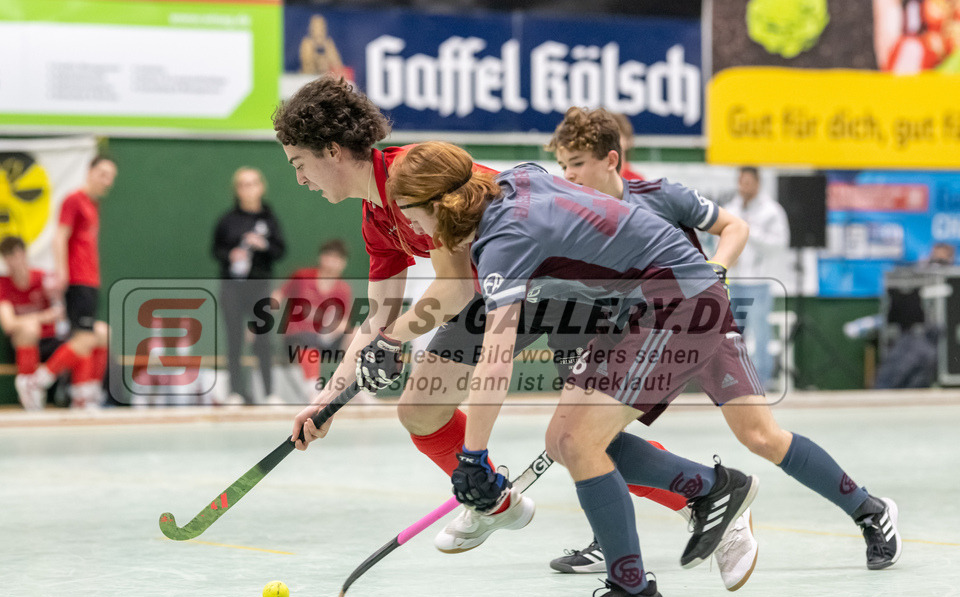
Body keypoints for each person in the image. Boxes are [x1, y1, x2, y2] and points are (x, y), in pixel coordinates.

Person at [273, 76, 744, 558]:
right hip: (499, 292)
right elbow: (380, 319)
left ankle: (697, 498)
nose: (300, 179)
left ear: (332, 151)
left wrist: (395, 340)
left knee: (581, 437)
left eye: (299, 164)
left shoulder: (416, 178)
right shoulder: (377, 221)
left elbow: (452, 288)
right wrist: (329, 397)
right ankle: (493, 501)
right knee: (420, 408)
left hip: (562, 289)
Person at [388, 142, 767, 597]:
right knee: (563, 441)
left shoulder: (502, 240)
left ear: (439, 204)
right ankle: (714, 489)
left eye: (413, 216)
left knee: (579, 441)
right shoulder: (513, 179)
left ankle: (635, 594)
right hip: (635, 306)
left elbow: (496, 358)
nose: (415, 230)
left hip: (677, 304)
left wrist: (473, 456)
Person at [549, 106, 899, 581]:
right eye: (563, 165)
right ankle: (618, 531)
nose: (568, 175)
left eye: (576, 164)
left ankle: (868, 509)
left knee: (761, 437)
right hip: (645, 337)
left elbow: (734, 227)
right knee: (593, 437)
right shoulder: (579, 224)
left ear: (610, 160)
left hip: (704, 325)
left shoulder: (661, 196)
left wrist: (716, 269)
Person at [16, 156, 115, 409]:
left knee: (98, 337)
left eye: (111, 177)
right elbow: (60, 237)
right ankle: (36, 381)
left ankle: (84, 395)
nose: (107, 181)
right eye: (102, 174)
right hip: (77, 280)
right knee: (84, 339)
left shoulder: (94, 206)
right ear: (90, 172)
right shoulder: (74, 200)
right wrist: (62, 272)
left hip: (91, 282)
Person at [212, 166, 286, 405]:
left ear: (261, 187)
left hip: (260, 287)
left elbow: (280, 250)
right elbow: (216, 249)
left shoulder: (270, 219)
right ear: (236, 190)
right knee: (234, 339)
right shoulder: (227, 220)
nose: (248, 188)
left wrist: (263, 245)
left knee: (263, 340)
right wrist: (230, 255)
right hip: (232, 288)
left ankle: (268, 393)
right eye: (243, 184)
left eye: (253, 183)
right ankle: (235, 392)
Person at [722, 166, 790, 391]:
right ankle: (734, 380)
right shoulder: (731, 209)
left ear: (758, 183)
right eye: (741, 181)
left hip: (759, 282)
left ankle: (762, 381)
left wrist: (749, 232)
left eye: (749, 182)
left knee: (761, 333)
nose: (744, 186)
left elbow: (779, 244)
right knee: (732, 335)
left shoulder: (771, 211)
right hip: (735, 281)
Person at [273, 239, 353, 401]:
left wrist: (333, 330)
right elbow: (279, 295)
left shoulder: (343, 289)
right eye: (330, 257)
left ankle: (355, 386)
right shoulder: (303, 277)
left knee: (357, 335)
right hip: (296, 339)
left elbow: (344, 322)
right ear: (322, 258)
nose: (333, 262)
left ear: (344, 263)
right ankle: (313, 391)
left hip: (324, 339)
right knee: (309, 339)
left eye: (338, 259)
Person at [0, 237, 65, 410]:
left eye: (16, 254)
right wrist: (42, 317)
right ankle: (29, 391)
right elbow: (8, 324)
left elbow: (59, 314)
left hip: (51, 342)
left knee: (90, 335)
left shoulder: (44, 279)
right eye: (7, 256)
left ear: (24, 254)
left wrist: (55, 300)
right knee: (29, 328)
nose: (13, 260)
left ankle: (76, 393)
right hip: (21, 344)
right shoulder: (1, 284)